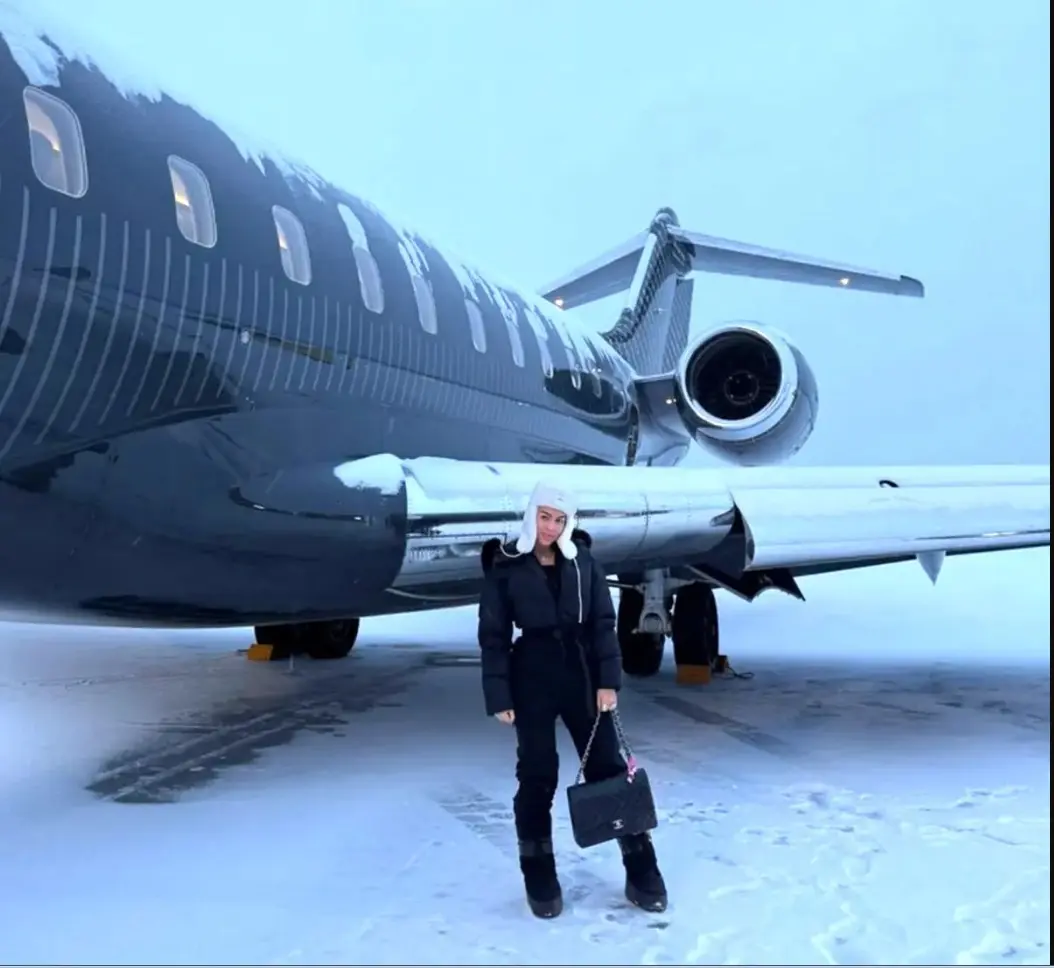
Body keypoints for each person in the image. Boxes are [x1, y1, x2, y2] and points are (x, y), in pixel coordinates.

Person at [477, 480, 668, 919]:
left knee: (608, 767)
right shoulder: (507, 565)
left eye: (559, 519)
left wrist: (608, 681)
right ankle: (539, 872)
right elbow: (493, 635)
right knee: (537, 773)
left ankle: (642, 868)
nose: (550, 527)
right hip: (531, 676)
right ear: (531, 515)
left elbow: (602, 622)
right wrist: (499, 694)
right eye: (544, 516)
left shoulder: (583, 562)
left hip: (581, 673)